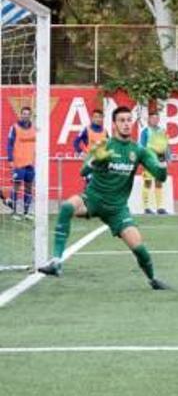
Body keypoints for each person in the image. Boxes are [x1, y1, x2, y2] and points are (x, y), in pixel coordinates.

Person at [37, 106, 170, 290]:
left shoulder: (139, 151)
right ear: (114, 124)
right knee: (67, 206)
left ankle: (153, 279)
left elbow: (160, 176)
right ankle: (56, 262)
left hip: (117, 209)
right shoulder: (104, 145)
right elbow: (83, 170)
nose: (126, 124)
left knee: (139, 248)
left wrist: (161, 159)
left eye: (128, 120)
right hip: (93, 199)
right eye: (122, 120)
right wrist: (96, 160)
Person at [139, 110, 172, 215]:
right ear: (149, 119)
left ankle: (160, 208)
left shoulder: (163, 131)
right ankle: (146, 207)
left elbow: (167, 145)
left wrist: (169, 157)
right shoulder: (145, 131)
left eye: (156, 118)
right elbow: (142, 146)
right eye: (153, 118)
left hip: (160, 160)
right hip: (149, 160)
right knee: (147, 182)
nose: (155, 120)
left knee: (159, 182)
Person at [7, 106, 35, 220]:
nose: (25, 115)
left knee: (29, 187)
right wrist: (10, 159)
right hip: (18, 163)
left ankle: (26, 212)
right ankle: (13, 212)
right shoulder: (14, 127)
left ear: (30, 116)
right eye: (24, 113)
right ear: (20, 115)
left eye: (28, 114)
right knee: (16, 187)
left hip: (30, 163)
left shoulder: (34, 128)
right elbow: (9, 144)